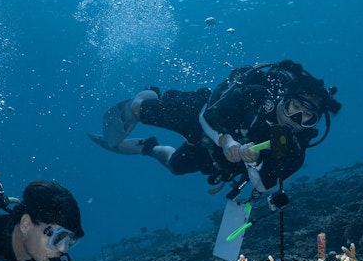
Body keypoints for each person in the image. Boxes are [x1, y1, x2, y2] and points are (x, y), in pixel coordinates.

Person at [91, 60, 341, 196]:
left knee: (175, 167)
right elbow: (211, 115)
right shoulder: (256, 95)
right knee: (138, 109)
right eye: (293, 107)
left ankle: (148, 147)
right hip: (202, 115)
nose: (295, 119)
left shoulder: (295, 146)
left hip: (215, 155)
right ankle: (149, 94)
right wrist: (227, 142)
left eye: (307, 117)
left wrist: (254, 162)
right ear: (283, 99)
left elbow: (265, 186)